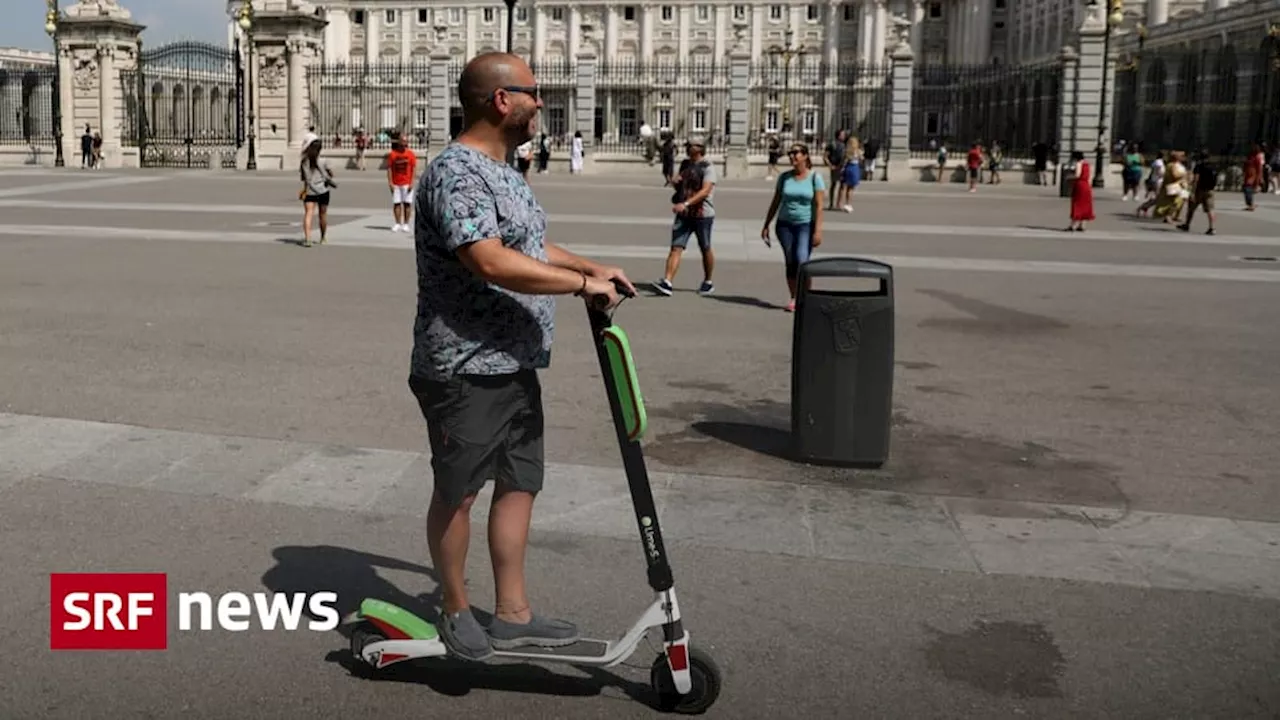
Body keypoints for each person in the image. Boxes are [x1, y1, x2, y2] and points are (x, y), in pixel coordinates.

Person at [410, 52, 636, 662]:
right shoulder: (457, 172)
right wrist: (579, 287)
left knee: (518, 485)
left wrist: (588, 265)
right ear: (502, 101)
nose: (543, 102)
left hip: (512, 363)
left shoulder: (503, 170)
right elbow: (488, 258)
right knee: (459, 492)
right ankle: (456, 608)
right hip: (464, 366)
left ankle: (513, 613)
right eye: (534, 92)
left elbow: (527, 243)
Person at [760, 142, 825, 312]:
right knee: (791, 261)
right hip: (784, 225)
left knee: (802, 260)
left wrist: (818, 231)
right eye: (790, 153)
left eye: (796, 153)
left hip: (805, 224)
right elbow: (776, 201)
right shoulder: (784, 178)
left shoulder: (815, 178)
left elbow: (819, 205)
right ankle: (795, 298)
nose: (792, 156)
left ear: (805, 155)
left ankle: (807, 296)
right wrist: (766, 224)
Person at [652, 136, 717, 296]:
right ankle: (667, 282)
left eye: (691, 146)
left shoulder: (708, 167)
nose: (687, 148)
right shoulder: (685, 164)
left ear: (700, 148)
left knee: (705, 247)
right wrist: (675, 182)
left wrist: (686, 203)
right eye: (687, 145)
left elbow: (705, 191)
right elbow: (681, 187)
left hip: (702, 214)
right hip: (684, 214)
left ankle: (708, 281)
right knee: (676, 247)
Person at [299, 138, 335, 247]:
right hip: (323, 190)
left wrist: (305, 189)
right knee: (322, 215)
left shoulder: (304, 161)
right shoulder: (324, 161)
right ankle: (323, 237)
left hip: (310, 190)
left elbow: (304, 178)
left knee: (308, 214)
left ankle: (308, 238)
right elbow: (331, 174)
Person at [1179, 149, 1217, 235]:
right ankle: (1212, 228)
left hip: (1199, 190)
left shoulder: (1199, 166)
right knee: (1210, 210)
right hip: (1210, 190)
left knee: (1191, 208)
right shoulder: (1213, 166)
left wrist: (1192, 191)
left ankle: (1187, 224)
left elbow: (1196, 179)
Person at [386, 134, 417, 233]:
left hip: (407, 182)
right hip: (396, 183)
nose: (405, 144)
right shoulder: (393, 154)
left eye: (406, 142)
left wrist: (412, 182)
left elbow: (414, 168)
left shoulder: (411, 154)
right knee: (397, 203)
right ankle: (397, 223)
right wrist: (390, 182)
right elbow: (389, 169)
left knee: (407, 204)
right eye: (403, 142)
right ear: (399, 142)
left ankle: (406, 224)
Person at [1066, 150, 1094, 232]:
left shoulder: (1078, 164)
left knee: (1077, 204)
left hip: (1080, 185)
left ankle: (1073, 225)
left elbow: (1077, 175)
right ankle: (1082, 225)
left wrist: (1069, 177)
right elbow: (1089, 176)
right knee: (1085, 205)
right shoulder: (1088, 164)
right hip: (1086, 185)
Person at [1243, 143, 1264, 211]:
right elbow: (1245, 165)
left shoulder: (1257, 157)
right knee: (1247, 190)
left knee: (1247, 190)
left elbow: (1259, 169)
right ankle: (1250, 204)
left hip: (1253, 176)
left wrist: (1260, 178)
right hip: (1248, 175)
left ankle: (1251, 205)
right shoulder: (1250, 156)